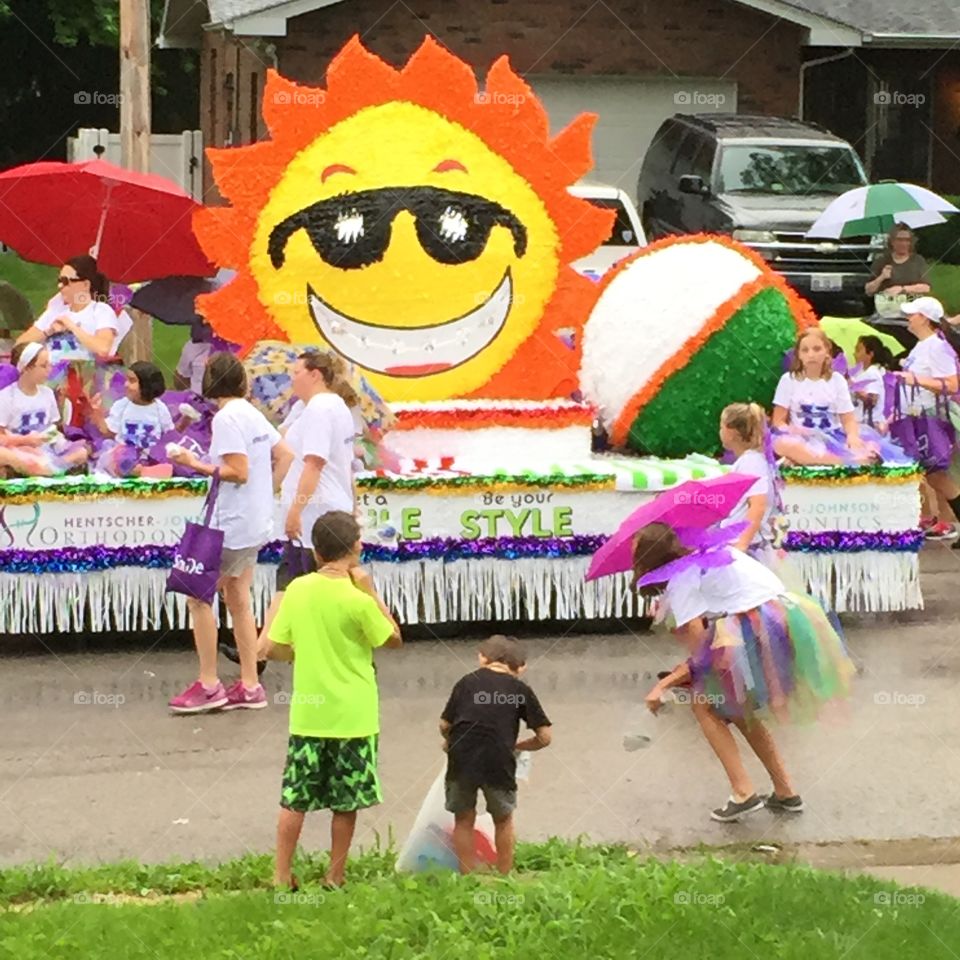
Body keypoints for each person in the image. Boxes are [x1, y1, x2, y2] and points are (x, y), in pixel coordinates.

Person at [634, 522, 854, 822]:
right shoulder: (710, 552)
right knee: (738, 706)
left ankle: (744, 793)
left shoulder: (682, 580)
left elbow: (701, 655)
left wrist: (664, 685)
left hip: (759, 625)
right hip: (789, 616)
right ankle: (785, 791)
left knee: (705, 704)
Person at [260, 510, 402, 890]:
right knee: (346, 802)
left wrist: (302, 651)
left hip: (309, 715)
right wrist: (370, 591)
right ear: (356, 548)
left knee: (295, 798)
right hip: (354, 716)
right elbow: (392, 638)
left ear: (316, 552)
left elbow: (274, 647)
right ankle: (334, 874)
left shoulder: (298, 590)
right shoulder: (357, 599)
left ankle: (281, 873)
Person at [167, 352, 293, 714]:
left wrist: (194, 464)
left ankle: (209, 683)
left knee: (198, 597)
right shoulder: (251, 413)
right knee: (238, 597)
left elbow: (238, 471)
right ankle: (250, 684)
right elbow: (285, 454)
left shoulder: (226, 418)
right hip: (254, 522)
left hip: (232, 524)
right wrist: (266, 494)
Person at [256, 351, 358, 653]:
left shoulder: (320, 410)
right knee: (289, 579)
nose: (292, 378)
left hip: (316, 515)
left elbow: (315, 463)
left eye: (296, 372)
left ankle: (267, 650)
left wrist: (295, 510)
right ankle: (261, 650)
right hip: (326, 509)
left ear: (315, 374)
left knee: (314, 584)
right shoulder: (325, 407)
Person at [439, 635, 552, 875]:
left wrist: (450, 741)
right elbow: (545, 737)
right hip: (499, 760)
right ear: (521, 668)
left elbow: (444, 724)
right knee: (503, 819)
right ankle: (504, 874)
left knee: (463, 819)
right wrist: (518, 746)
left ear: (482, 658)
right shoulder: (520, 690)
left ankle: (467, 875)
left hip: (462, 758)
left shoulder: (466, 683)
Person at [891, 298, 960, 541]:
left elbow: (952, 384)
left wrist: (916, 380)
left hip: (930, 418)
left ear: (924, 318)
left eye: (913, 314)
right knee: (932, 473)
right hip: (916, 417)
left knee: (936, 472)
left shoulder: (937, 347)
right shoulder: (922, 346)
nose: (908, 319)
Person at [771, 329, 871, 465]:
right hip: (800, 437)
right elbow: (778, 422)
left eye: (817, 349)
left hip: (832, 438)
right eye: (805, 350)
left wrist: (852, 437)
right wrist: (793, 430)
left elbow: (848, 420)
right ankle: (843, 462)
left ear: (827, 352)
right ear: (799, 355)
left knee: (871, 446)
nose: (811, 355)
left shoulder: (837, 380)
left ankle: (812, 460)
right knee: (783, 445)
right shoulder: (788, 380)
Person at [0, 342, 88, 476]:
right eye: (43, 366)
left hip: (45, 449)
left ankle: (48, 469)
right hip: (19, 448)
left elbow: (53, 427)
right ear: (26, 367)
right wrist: (26, 440)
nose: (49, 370)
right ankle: (51, 469)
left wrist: (50, 436)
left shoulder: (47, 393)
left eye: (49, 365)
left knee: (81, 452)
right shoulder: (6, 396)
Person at [16, 256, 125, 361]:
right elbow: (19, 345)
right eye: (59, 281)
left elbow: (103, 349)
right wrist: (48, 332)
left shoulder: (100, 310)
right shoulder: (56, 310)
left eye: (65, 281)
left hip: (83, 371)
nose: (60, 286)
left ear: (85, 284)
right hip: (49, 370)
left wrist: (71, 326)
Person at [89, 361, 175, 478]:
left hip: (149, 455)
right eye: (127, 380)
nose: (126, 384)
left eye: (132, 381)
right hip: (124, 455)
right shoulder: (121, 406)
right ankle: (140, 472)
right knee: (119, 457)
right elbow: (109, 433)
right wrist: (97, 414)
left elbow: (169, 435)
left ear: (146, 385)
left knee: (165, 459)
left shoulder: (160, 408)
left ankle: (146, 471)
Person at [864, 224, 930, 298]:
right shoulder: (882, 261)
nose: (903, 243)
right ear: (892, 242)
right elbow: (868, 291)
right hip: (887, 302)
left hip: (913, 302)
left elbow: (926, 288)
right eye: (899, 240)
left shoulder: (918, 260)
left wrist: (902, 289)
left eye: (907, 240)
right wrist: (881, 277)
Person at [850, 335, 897, 431]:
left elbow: (872, 400)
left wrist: (854, 388)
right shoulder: (861, 373)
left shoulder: (872, 373)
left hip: (870, 425)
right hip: (862, 423)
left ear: (870, 354)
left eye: (858, 350)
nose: (854, 354)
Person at [174, 317, 214, 396]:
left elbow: (180, 379)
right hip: (198, 399)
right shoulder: (192, 347)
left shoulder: (191, 347)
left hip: (221, 400)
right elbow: (180, 379)